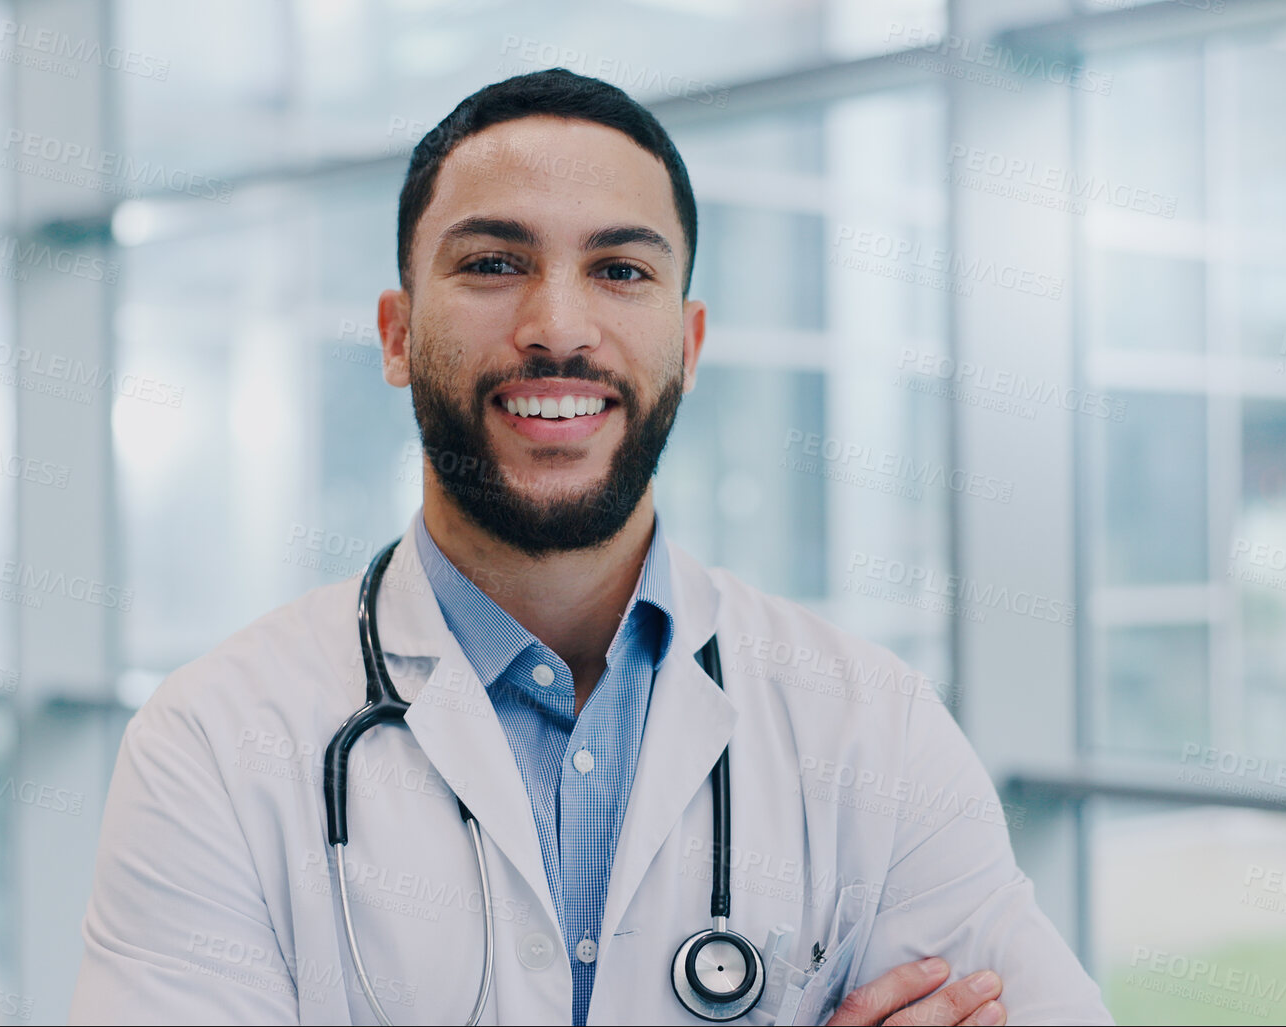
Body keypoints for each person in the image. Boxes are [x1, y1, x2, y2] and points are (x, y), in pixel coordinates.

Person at [70, 68, 1113, 1026]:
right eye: (492, 263)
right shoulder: (210, 747)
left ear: (689, 345)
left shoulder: (872, 731)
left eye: (619, 268)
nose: (558, 325)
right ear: (395, 334)